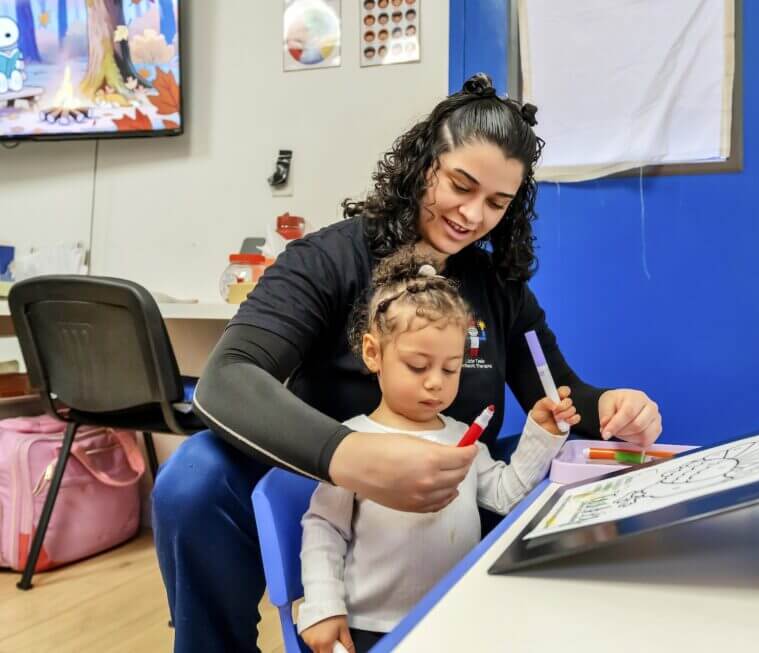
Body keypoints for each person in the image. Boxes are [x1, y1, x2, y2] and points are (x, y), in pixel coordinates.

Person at [151, 72, 663, 653]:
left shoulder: (498, 288)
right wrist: (348, 457)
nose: (472, 216)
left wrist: (616, 406)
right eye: (461, 186)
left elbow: (562, 392)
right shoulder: (328, 261)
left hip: (457, 496)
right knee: (192, 480)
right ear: (425, 164)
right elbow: (227, 379)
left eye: (497, 202)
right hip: (329, 482)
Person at [298, 248, 577, 653]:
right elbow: (324, 528)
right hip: (373, 628)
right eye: (417, 366)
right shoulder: (353, 444)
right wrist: (323, 606)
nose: (436, 383)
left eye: (451, 368)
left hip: (455, 619)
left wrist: (542, 433)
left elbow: (505, 495)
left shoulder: (462, 435)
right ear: (373, 353)